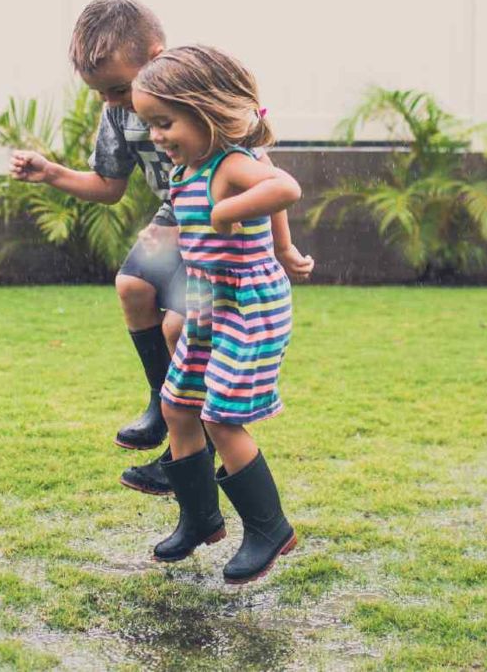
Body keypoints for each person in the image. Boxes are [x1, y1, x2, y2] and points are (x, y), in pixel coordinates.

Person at [8, 0, 312, 496]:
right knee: (130, 285)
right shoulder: (117, 112)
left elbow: (267, 175)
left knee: (178, 327)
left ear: (155, 55)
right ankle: (162, 403)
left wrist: (282, 247)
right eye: (102, 92)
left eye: (119, 88)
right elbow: (109, 186)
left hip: (208, 227)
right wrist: (51, 173)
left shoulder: (193, 97)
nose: (112, 100)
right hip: (175, 216)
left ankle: (184, 440)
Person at [131, 45, 300, 583]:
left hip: (249, 304)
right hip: (206, 297)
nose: (157, 136)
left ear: (205, 111)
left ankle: (270, 528)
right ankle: (200, 518)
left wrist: (235, 214)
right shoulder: (188, 169)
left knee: (219, 416)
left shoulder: (232, 164)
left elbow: (283, 187)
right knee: (178, 405)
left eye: (165, 122)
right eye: (150, 125)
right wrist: (286, 247)